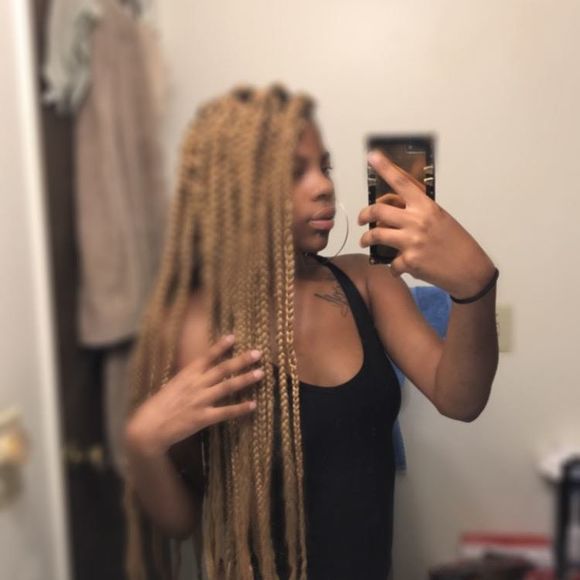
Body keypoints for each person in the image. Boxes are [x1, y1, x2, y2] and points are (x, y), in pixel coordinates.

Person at [122, 84, 499, 580]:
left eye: (325, 167)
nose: (323, 186)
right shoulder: (198, 326)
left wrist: (474, 287)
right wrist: (142, 446)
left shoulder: (367, 281)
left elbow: (461, 399)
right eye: (293, 172)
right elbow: (183, 518)